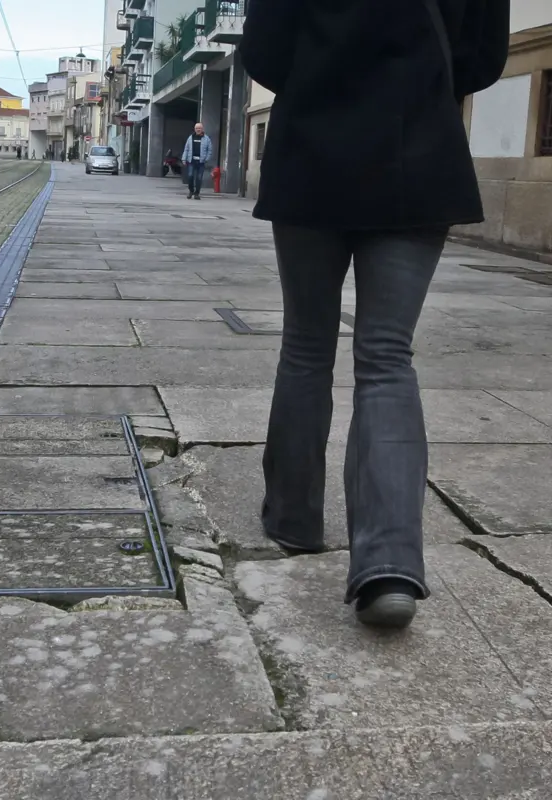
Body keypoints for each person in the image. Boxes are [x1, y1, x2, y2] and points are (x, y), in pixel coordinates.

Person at [240, 0, 509, 629]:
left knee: (306, 345)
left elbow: (266, 50)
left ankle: (293, 518)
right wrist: (410, 75)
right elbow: (484, 56)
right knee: (387, 355)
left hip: (311, 147)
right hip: (418, 144)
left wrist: (328, 70)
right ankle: (388, 564)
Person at [183, 123, 212, 199]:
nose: (198, 130)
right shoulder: (190, 138)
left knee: (199, 178)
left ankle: (197, 193)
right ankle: (191, 190)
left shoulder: (207, 139)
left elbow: (210, 150)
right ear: (194, 129)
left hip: (201, 162)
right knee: (190, 176)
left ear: (202, 129)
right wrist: (184, 158)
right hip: (191, 161)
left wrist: (206, 159)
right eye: (196, 128)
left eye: (199, 128)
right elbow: (186, 149)